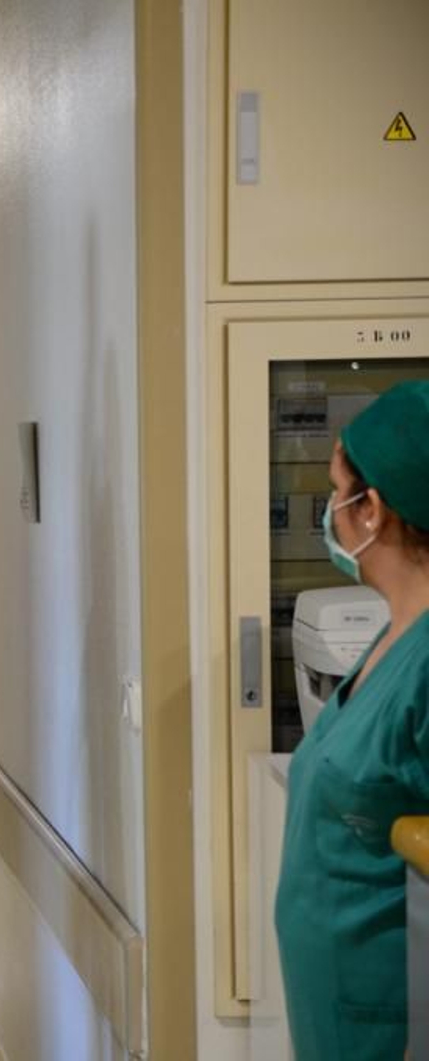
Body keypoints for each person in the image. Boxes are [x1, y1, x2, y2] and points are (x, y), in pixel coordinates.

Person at [275, 380, 429, 1061]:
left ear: (374, 510)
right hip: (338, 1009)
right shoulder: (393, 637)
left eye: (340, 491)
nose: (331, 510)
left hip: (390, 1020)